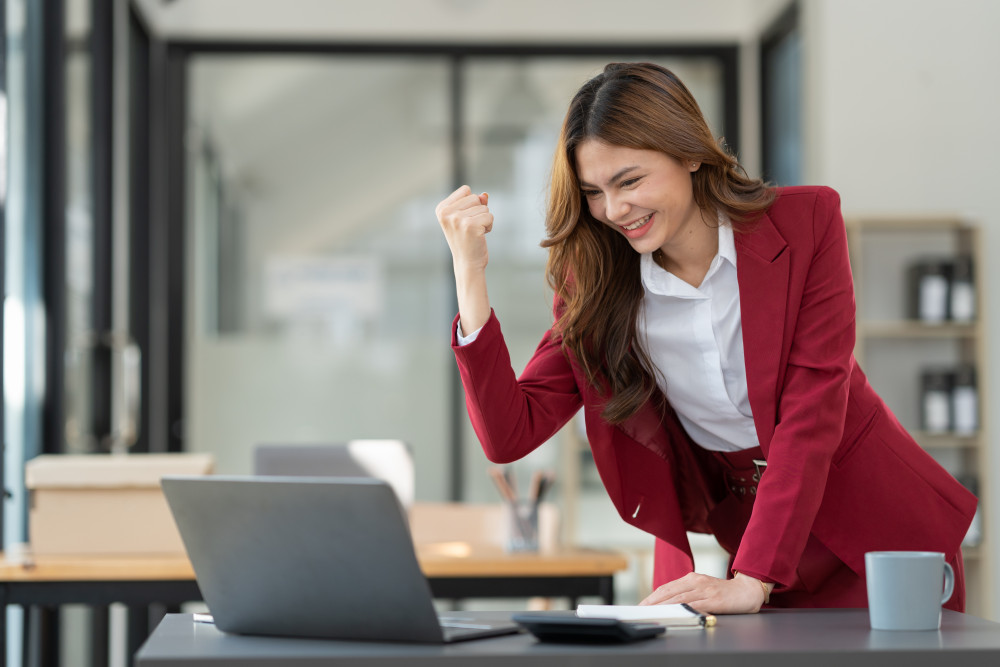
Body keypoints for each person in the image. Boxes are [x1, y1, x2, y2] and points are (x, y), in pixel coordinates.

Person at [435, 62, 975, 614]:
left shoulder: (807, 222)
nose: (614, 210)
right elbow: (509, 434)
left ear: (690, 153)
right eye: (594, 191)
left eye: (630, 180)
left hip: (878, 530)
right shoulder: (596, 283)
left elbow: (812, 413)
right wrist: (469, 275)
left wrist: (754, 577)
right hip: (752, 537)